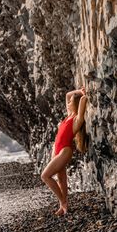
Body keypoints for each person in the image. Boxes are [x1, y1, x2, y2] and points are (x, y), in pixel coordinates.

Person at [41, 86, 88, 215]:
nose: (68, 103)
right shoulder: (69, 115)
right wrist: (79, 91)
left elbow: (83, 100)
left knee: (45, 176)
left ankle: (63, 202)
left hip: (65, 150)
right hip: (56, 149)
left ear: (76, 104)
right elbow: (68, 94)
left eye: (71, 102)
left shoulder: (77, 120)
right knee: (61, 178)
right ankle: (63, 207)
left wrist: (83, 95)